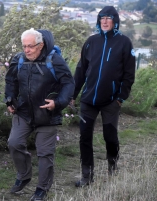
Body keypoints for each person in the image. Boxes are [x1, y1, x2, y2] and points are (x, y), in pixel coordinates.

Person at [5, 28, 75, 201]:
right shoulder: (19, 59)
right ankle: (24, 175)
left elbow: (68, 83)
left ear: (41, 45)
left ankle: (42, 189)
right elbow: (10, 80)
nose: (27, 50)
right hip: (23, 112)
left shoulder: (54, 60)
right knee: (14, 143)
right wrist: (9, 99)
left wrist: (57, 103)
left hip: (47, 113)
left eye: (31, 46)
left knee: (44, 153)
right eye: (24, 46)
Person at [72, 6, 136, 187]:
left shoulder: (124, 42)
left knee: (110, 137)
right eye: (102, 18)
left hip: (111, 101)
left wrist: (120, 97)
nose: (105, 21)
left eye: (109, 18)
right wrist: (73, 94)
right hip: (88, 100)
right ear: (98, 21)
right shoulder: (91, 41)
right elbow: (81, 70)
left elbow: (129, 74)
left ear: (115, 21)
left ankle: (113, 168)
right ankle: (87, 176)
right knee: (85, 138)